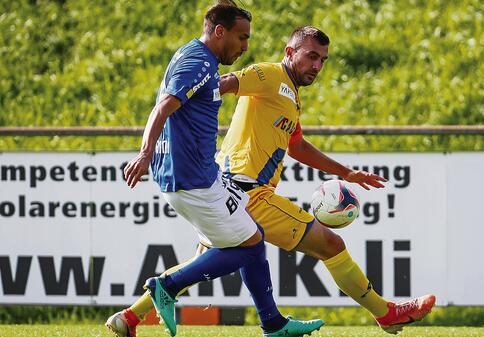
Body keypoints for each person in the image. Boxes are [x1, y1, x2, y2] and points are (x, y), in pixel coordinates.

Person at [107, 25, 435, 336]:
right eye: (311, 56)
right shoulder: (268, 75)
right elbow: (218, 83)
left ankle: (130, 316)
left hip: (227, 189)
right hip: (249, 192)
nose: (317, 65)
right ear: (289, 51)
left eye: (322, 60)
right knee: (331, 245)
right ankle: (386, 313)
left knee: (210, 259)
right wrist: (176, 110)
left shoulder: (291, 95)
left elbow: (297, 145)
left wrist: (346, 173)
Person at [106, 3, 324, 337]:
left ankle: (271, 322)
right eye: (242, 37)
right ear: (219, 32)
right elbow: (164, 106)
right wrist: (145, 152)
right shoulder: (198, 63)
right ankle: (169, 286)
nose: (246, 46)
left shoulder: (195, 56)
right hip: (193, 180)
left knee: (245, 242)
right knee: (250, 244)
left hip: (201, 175)